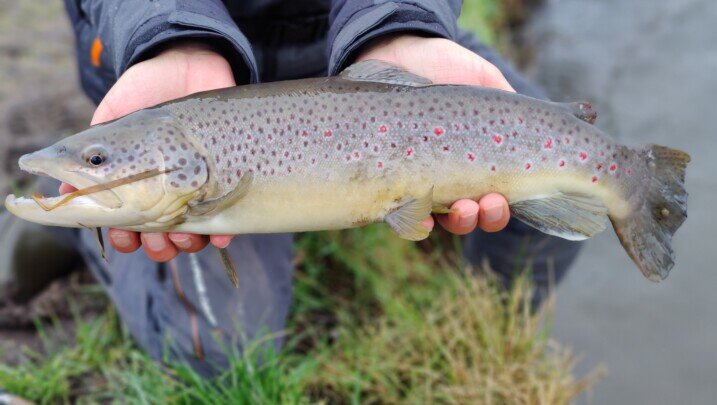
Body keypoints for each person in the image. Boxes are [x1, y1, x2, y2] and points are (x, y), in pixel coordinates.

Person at [2, 0, 581, 376]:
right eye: (98, 158)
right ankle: (90, 230)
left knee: (559, 194)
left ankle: (476, 323)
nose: (92, 161)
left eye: (97, 158)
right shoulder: (177, 132)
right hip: (179, 66)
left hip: (373, 42)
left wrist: (400, 22)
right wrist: (170, 36)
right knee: (220, 357)